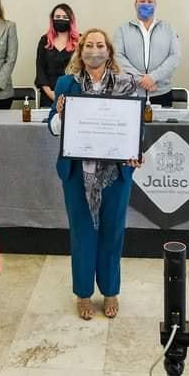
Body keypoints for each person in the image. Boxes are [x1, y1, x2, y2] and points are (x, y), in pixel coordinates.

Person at [47, 29, 139, 320]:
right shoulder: (65, 83)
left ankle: (111, 291)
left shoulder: (127, 84)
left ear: (109, 51)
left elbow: (136, 125)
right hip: (77, 172)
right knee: (83, 233)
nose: (94, 50)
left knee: (113, 231)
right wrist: (60, 114)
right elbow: (52, 128)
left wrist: (136, 149)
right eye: (89, 45)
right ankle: (84, 294)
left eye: (100, 45)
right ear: (80, 51)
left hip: (116, 172)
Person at [113, 0, 181, 107]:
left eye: (150, 1)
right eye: (142, 1)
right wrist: (141, 79)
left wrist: (153, 77)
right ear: (135, 5)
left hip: (161, 92)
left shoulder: (168, 29)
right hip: (131, 92)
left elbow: (174, 56)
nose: (146, 4)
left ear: (155, 5)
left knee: (160, 125)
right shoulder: (122, 30)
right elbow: (118, 57)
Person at [35, 3, 79, 107]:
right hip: (48, 94)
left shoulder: (79, 41)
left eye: (65, 17)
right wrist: (51, 94)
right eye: (57, 17)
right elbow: (40, 69)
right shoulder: (44, 41)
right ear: (52, 20)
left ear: (71, 20)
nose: (61, 19)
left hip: (73, 95)